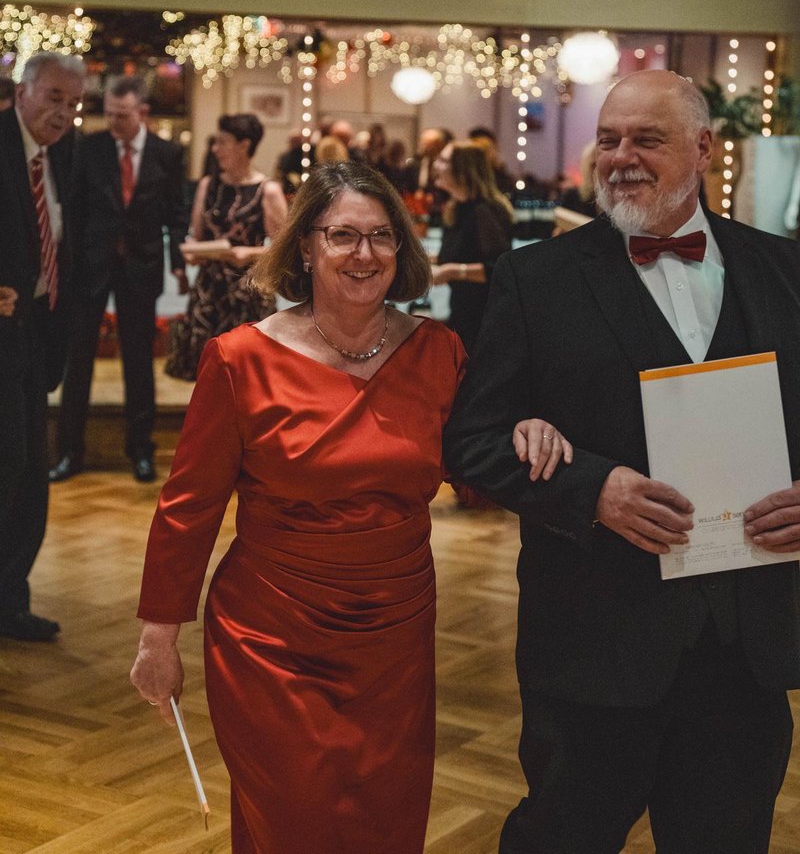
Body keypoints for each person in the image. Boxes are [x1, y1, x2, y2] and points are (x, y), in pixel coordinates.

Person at [129, 160, 573, 853]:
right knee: (295, 820)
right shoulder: (240, 359)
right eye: (342, 235)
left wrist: (527, 428)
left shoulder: (439, 352)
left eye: (382, 236)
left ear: (401, 248)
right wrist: (157, 640)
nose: (364, 254)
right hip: (271, 635)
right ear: (306, 247)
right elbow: (188, 508)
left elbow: (479, 468)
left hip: (395, 636)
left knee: (385, 821)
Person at [444, 69, 800, 854]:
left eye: (647, 139)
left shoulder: (786, 271)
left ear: (704, 148)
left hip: (746, 652)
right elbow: (473, 439)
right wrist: (592, 488)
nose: (620, 157)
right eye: (608, 140)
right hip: (593, 643)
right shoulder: (536, 279)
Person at [50, 76, 188, 484]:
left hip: (141, 267)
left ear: (142, 112)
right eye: (108, 114)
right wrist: (67, 264)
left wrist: (178, 263)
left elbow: (176, 213)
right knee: (78, 361)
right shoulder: (88, 147)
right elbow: (73, 210)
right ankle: (69, 452)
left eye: (121, 115)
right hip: (90, 268)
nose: (113, 122)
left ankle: (140, 450)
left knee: (139, 362)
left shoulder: (167, 153)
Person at [0, 52, 86, 640]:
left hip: (35, 330)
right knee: (9, 464)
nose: (64, 113)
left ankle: (10, 603)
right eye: (54, 98)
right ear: (22, 91)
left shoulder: (63, 155)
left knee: (32, 473)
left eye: (73, 104)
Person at [165, 113, 287, 381]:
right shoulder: (209, 185)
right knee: (208, 374)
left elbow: (284, 249)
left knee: (248, 374)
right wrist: (193, 252)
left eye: (223, 142)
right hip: (210, 291)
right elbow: (197, 236)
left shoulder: (267, 191)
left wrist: (249, 253)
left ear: (244, 145)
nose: (215, 149)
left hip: (248, 291)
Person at [432, 140, 513, 354]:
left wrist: (452, 272)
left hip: (484, 322)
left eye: (444, 161)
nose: (436, 165)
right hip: (462, 314)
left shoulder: (485, 211)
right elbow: (457, 253)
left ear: (464, 170)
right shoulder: (456, 207)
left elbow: (501, 268)